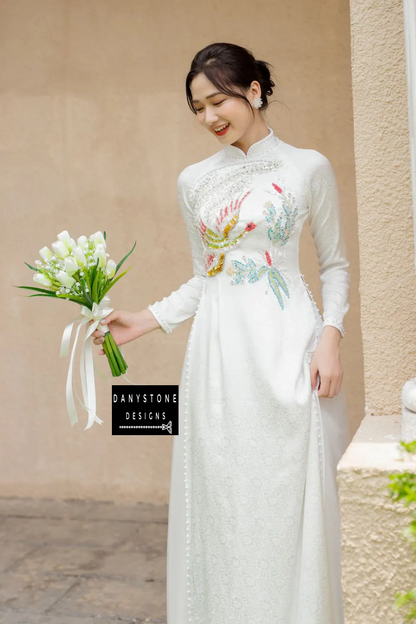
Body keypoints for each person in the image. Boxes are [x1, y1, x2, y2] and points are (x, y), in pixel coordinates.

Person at [90, 42, 351, 624]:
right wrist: (144, 320)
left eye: (217, 100)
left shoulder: (309, 166)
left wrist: (330, 336)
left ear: (253, 91)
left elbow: (334, 264)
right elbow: (206, 275)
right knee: (224, 499)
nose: (209, 117)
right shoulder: (194, 181)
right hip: (218, 354)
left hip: (290, 347)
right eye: (197, 107)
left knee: (287, 495)